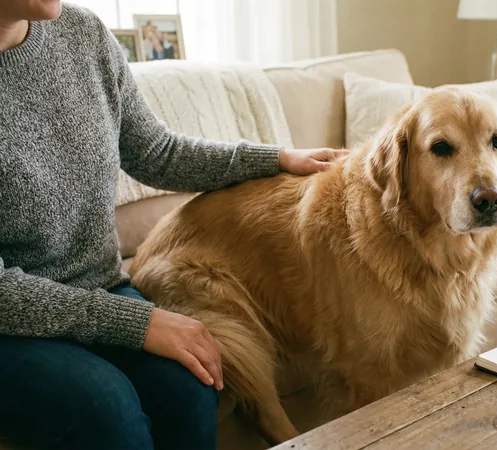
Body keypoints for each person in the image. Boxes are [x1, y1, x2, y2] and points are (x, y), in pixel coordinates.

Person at [0, 1, 347, 449]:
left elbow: (156, 151)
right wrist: (135, 322)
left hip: (97, 288)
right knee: (108, 410)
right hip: (11, 324)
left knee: (190, 384)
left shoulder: (82, 34)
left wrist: (275, 159)